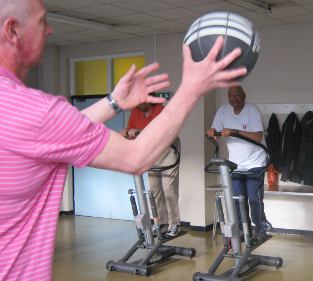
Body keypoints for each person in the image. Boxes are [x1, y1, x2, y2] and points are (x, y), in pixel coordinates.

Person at [0, 0, 247, 280]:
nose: (50, 29)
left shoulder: (20, 109)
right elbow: (135, 157)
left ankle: (169, 224)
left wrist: (114, 102)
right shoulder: (34, 111)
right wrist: (191, 88)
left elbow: (57, 128)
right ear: (13, 30)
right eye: (42, 21)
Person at [207, 86, 271, 242]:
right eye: (230, 95)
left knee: (254, 198)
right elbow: (215, 130)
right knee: (237, 198)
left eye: (237, 95)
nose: (234, 98)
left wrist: (235, 132)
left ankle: (261, 227)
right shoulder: (223, 111)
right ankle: (244, 229)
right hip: (235, 164)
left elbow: (257, 136)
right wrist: (212, 132)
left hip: (255, 161)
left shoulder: (252, 110)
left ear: (244, 95)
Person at [123, 101, 182, 237]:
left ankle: (175, 224)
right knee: (155, 191)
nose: (140, 105)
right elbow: (130, 132)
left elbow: (166, 131)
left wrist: (141, 132)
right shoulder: (135, 111)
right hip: (150, 152)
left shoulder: (161, 110)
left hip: (168, 150)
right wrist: (130, 133)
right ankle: (161, 223)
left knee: (169, 190)